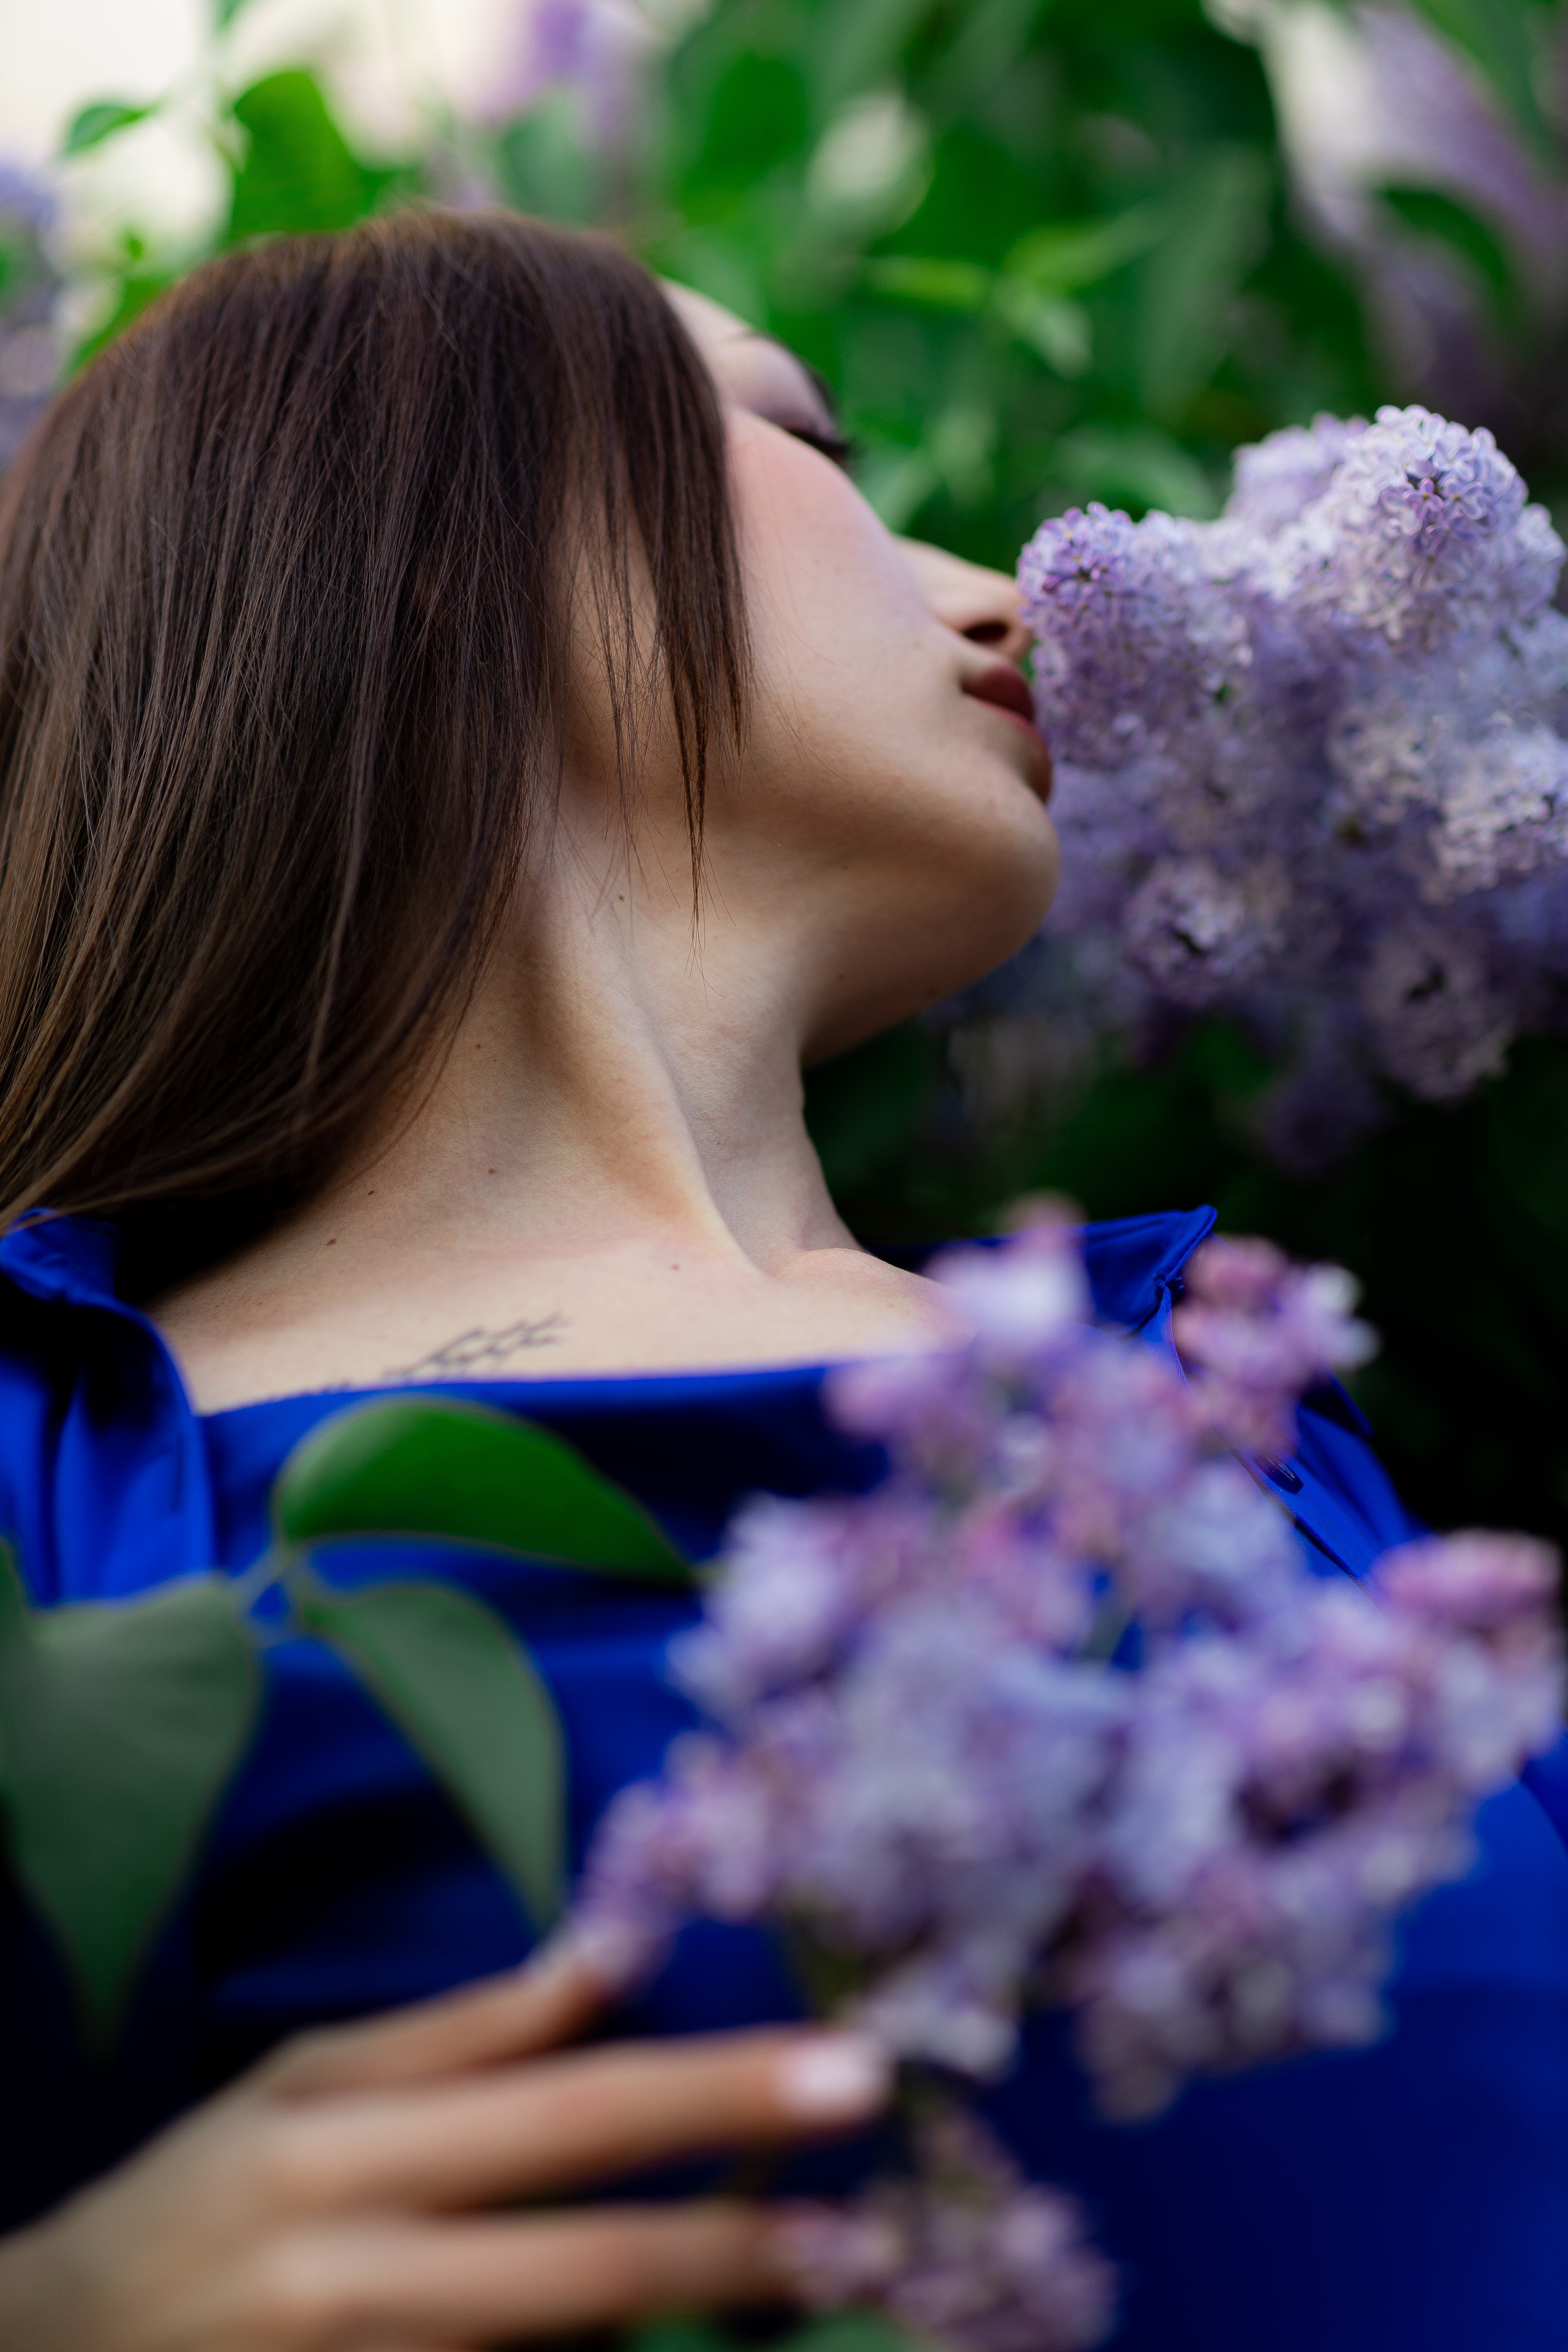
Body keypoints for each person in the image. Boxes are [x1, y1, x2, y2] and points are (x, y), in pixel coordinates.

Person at [0, 209, 1561, 2352]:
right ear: (438, 518)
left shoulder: (1241, 1423)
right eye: (812, 439)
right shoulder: (42, 1482)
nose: (1014, 597)